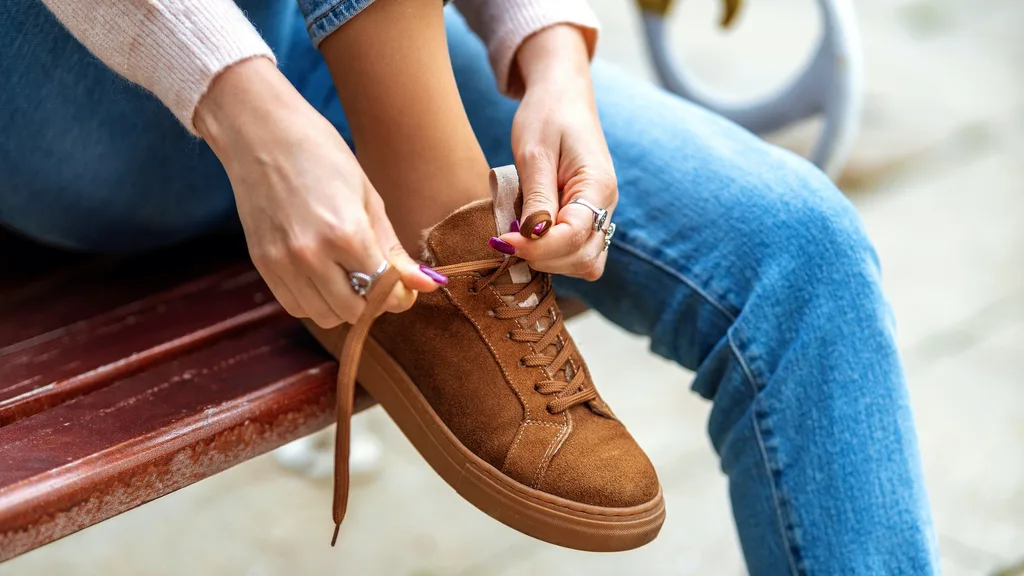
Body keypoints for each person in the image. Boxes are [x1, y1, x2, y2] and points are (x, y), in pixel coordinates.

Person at [0, 0, 939, 572]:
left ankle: (428, 178)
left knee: (799, 251)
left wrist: (553, 58)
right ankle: (435, 206)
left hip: (331, 44)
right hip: (89, 97)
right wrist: (246, 113)